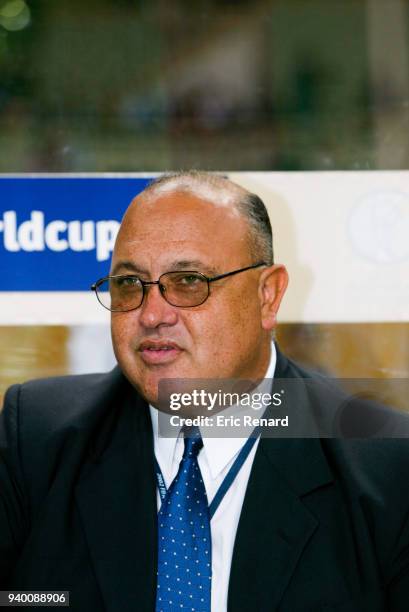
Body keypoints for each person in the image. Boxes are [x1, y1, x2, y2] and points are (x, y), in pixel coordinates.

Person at [0, 171, 408, 612]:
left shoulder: (386, 465)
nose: (152, 313)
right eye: (128, 284)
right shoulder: (37, 440)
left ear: (268, 296)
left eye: (189, 281)